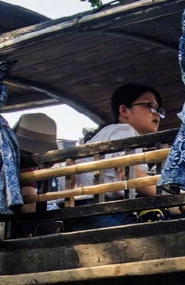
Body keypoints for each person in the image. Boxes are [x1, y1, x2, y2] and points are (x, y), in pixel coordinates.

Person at [69, 84, 172, 229]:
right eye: (150, 106)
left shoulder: (111, 132)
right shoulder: (124, 130)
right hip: (100, 210)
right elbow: (131, 175)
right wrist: (172, 199)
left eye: (158, 110)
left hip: (84, 209)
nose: (156, 114)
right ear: (124, 110)